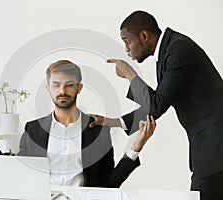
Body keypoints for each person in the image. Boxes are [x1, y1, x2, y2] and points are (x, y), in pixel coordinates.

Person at [89, 10, 223, 200]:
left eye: (127, 41)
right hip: (211, 147)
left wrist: (130, 74)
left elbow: (155, 105)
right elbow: (158, 104)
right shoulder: (171, 50)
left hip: (215, 146)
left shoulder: (179, 50)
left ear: (144, 36)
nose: (126, 49)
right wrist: (112, 121)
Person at [0, 60, 156, 188]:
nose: (62, 91)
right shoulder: (34, 129)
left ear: (79, 88)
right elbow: (20, 172)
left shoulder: (98, 130)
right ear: (48, 88)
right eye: (56, 85)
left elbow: (109, 183)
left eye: (69, 85)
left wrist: (136, 147)